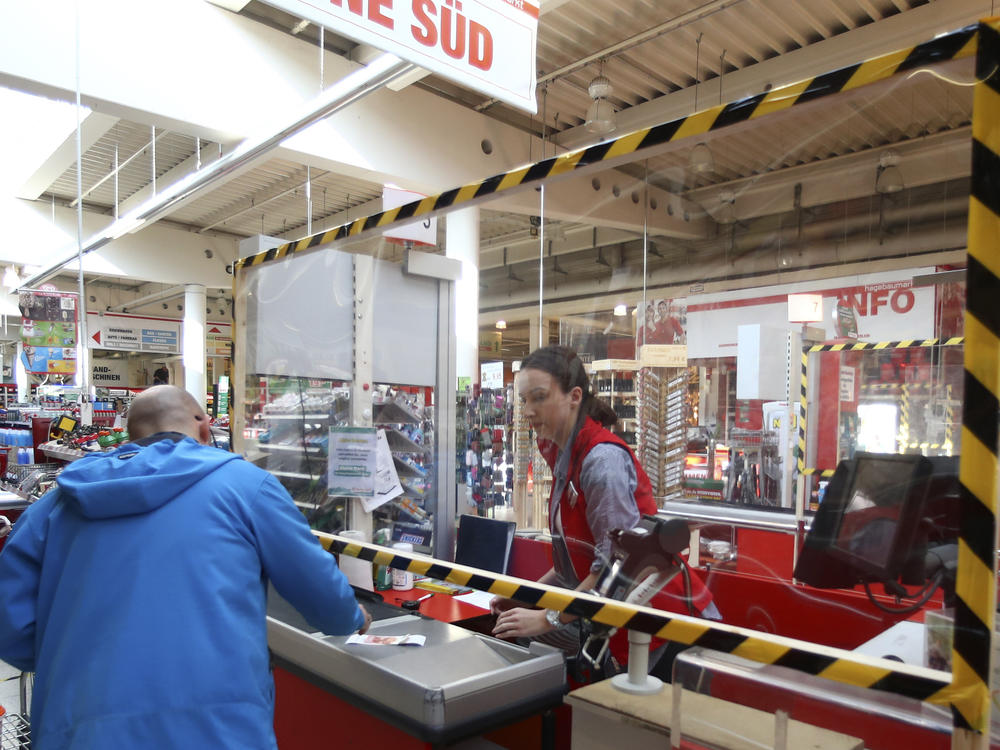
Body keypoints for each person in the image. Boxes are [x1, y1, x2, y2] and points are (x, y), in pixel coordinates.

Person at [0, 385, 371, 749]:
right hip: (214, 729)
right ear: (204, 425)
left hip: (77, 729)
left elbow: (10, 629)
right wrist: (353, 617)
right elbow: (321, 595)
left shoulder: (54, 505)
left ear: (133, 433)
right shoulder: (245, 486)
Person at [491, 345, 716, 676]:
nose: (528, 410)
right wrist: (529, 597)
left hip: (669, 630)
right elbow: (575, 565)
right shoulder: (564, 458)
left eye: (539, 397)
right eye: (523, 400)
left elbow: (616, 567)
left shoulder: (600, 463)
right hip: (626, 623)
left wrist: (544, 617)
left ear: (574, 396)